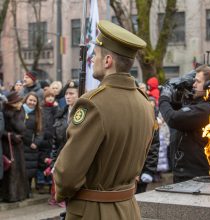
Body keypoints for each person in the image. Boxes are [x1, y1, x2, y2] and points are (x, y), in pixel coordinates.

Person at [53, 20, 155, 220]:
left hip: (92, 212)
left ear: (108, 61)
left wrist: (61, 191)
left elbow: (67, 175)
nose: (92, 60)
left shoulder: (92, 104)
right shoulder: (145, 104)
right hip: (128, 209)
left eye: (95, 55)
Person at [159, 64, 210, 183]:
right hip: (191, 175)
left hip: (196, 178)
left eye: (197, 81)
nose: (193, 85)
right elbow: (182, 114)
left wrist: (164, 98)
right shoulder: (204, 106)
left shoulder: (208, 109)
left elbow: (174, 119)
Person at [48, 80, 78, 207]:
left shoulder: (85, 114)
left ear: (79, 95)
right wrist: (54, 162)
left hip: (78, 161)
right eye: (66, 94)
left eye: (71, 93)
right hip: (62, 161)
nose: (67, 96)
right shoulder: (61, 114)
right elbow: (55, 142)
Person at [1, 91, 29, 202]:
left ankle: (21, 193)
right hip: (8, 145)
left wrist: (21, 136)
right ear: (12, 103)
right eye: (18, 102)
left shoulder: (21, 111)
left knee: (20, 169)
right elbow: (1, 130)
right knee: (11, 170)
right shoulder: (4, 112)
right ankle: (10, 195)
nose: (20, 104)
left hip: (19, 144)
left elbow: (23, 127)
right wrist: (11, 136)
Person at [22, 92, 42, 196]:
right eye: (30, 100)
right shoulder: (19, 110)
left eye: (34, 101)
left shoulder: (38, 113)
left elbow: (40, 131)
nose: (32, 102)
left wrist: (36, 143)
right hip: (20, 144)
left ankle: (28, 190)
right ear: (26, 100)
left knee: (30, 170)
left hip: (31, 146)